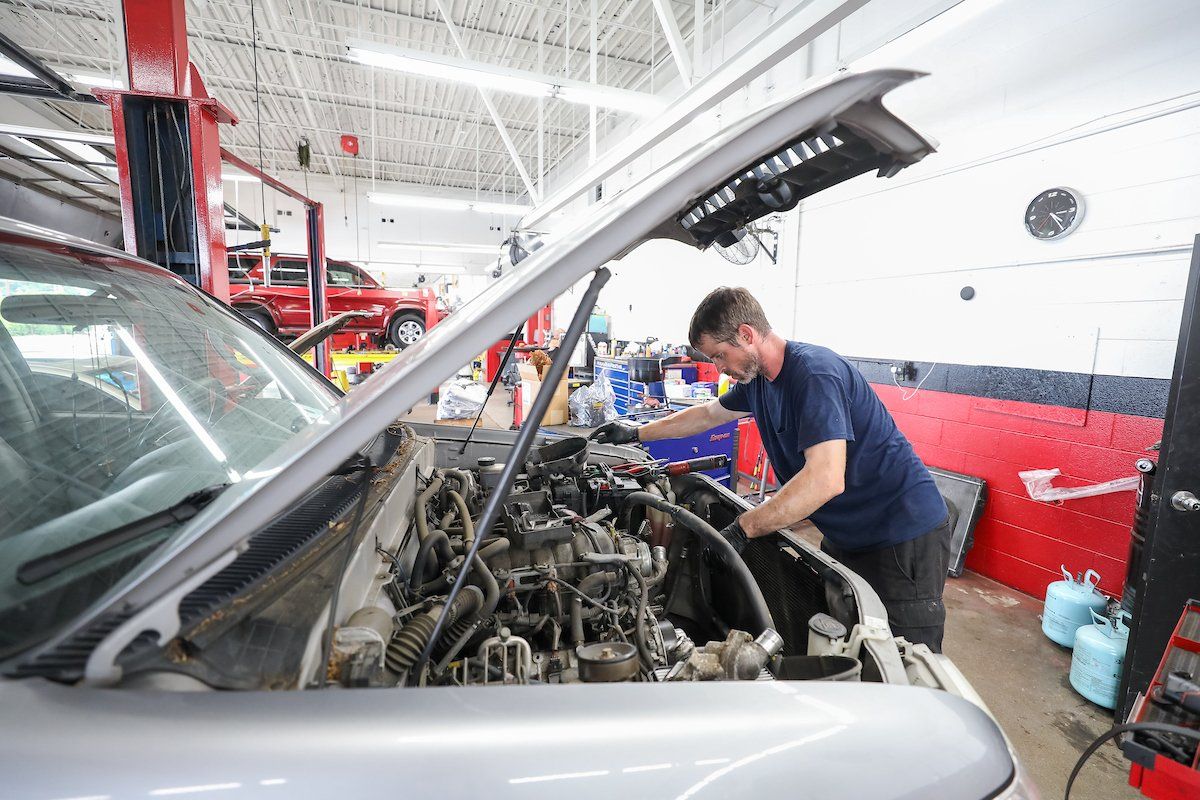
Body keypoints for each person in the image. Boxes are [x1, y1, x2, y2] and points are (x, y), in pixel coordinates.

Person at [589, 287, 952, 652]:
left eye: (720, 355)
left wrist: (744, 527)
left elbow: (825, 479)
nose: (719, 368)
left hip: (901, 538)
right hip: (846, 537)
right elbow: (708, 414)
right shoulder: (759, 380)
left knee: (905, 659)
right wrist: (637, 431)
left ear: (746, 335)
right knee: (844, 646)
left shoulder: (814, 375)